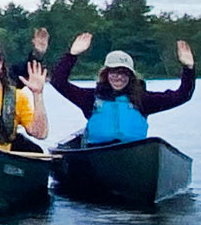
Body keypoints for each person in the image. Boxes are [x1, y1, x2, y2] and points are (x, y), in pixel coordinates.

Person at [48, 33, 195, 144]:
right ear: (106, 74)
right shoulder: (90, 98)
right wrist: (72, 55)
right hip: (98, 154)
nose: (118, 77)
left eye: (124, 73)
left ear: (131, 76)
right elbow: (58, 82)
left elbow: (182, 95)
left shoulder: (143, 99)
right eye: (114, 72)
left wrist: (188, 68)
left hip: (133, 155)